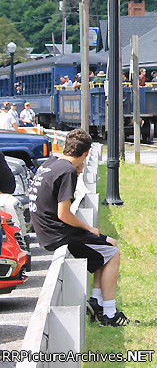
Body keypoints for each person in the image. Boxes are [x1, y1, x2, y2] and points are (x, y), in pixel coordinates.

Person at [28, 128, 131, 326]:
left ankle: (96, 302)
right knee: (113, 253)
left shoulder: (52, 163)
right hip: (56, 233)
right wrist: (88, 228)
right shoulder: (67, 172)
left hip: (45, 230)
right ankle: (109, 314)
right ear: (86, 153)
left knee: (110, 243)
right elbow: (63, 214)